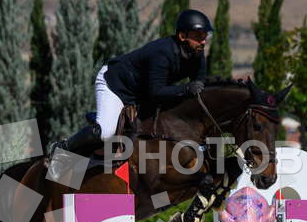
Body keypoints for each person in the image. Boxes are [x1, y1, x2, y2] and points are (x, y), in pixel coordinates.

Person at [51, 9, 213, 157]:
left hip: (140, 93)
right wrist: (186, 87)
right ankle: (63, 147)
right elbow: (156, 92)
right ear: (182, 36)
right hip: (115, 85)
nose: (203, 41)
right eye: (198, 36)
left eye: (205, 36)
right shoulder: (162, 54)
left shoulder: (197, 54)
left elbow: (198, 90)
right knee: (106, 133)